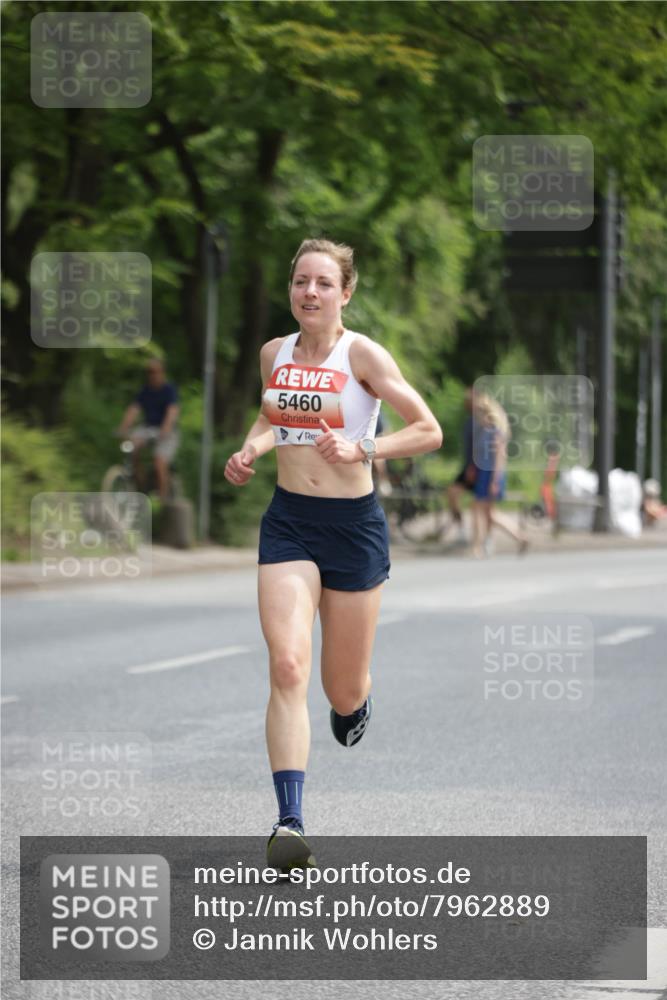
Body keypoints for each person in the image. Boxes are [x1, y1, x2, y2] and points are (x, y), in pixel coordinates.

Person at [224, 238, 442, 871]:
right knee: (288, 665)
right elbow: (272, 415)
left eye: (323, 283)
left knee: (339, 689)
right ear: (290, 289)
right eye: (300, 281)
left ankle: (355, 703)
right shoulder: (276, 353)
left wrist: (363, 448)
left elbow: (427, 430)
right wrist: (251, 452)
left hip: (353, 528)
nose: (310, 293)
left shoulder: (364, 354)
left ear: (345, 293)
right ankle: (289, 820)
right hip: (289, 522)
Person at [471, 395, 528, 557]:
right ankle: (505, 540)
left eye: (479, 413)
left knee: (480, 510)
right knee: (488, 513)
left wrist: (495, 480)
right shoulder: (484, 431)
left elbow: (500, 458)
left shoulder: (495, 431)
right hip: (484, 472)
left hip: (491, 474)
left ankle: (479, 545)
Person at [116, 358, 180, 501]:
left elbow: (172, 411)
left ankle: (162, 501)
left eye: (155, 372)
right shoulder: (145, 390)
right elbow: (134, 409)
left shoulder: (169, 390)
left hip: (166, 431)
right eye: (149, 372)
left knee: (159, 462)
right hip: (148, 428)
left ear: (162, 373)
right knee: (132, 448)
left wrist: (165, 429)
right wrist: (123, 427)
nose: (152, 375)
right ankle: (141, 485)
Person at [444, 387, 476, 543]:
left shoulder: (480, 422)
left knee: (484, 507)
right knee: (452, 493)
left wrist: (472, 467)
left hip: (474, 467)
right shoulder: (469, 420)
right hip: (468, 466)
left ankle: (475, 535)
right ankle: (461, 528)